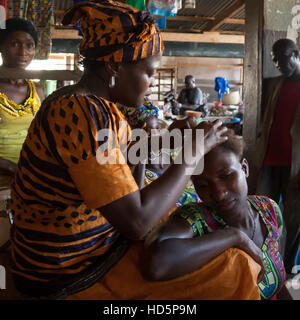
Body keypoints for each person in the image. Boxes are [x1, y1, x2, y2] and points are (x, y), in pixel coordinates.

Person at [8, 1, 260, 300]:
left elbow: (127, 181)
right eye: (149, 73)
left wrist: (151, 142)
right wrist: (192, 152)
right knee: (234, 268)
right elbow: (137, 224)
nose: (151, 84)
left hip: (89, 249)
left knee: (178, 229)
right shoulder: (82, 112)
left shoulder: (90, 106)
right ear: (115, 65)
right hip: (65, 272)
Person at [143, 131, 292, 300]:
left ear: (244, 168)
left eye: (226, 176)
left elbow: (279, 277)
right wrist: (235, 236)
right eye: (203, 185)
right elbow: (156, 263)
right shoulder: (196, 218)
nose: (219, 193)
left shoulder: (269, 209)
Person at [255, 38, 300, 273]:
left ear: (295, 53)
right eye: (275, 59)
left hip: (296, 165)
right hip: (269, 161)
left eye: (282, 58)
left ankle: (290, 270)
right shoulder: (275, 85)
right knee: (262, 214)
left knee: (294, 222)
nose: (278, 63)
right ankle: (263, 266)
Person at [0, 18, 44, 219]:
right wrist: (13, 168)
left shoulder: (39, 92)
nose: (23, 52)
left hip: (29, 173)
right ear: (1, 47)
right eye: (14, 43)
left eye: (29, 45)